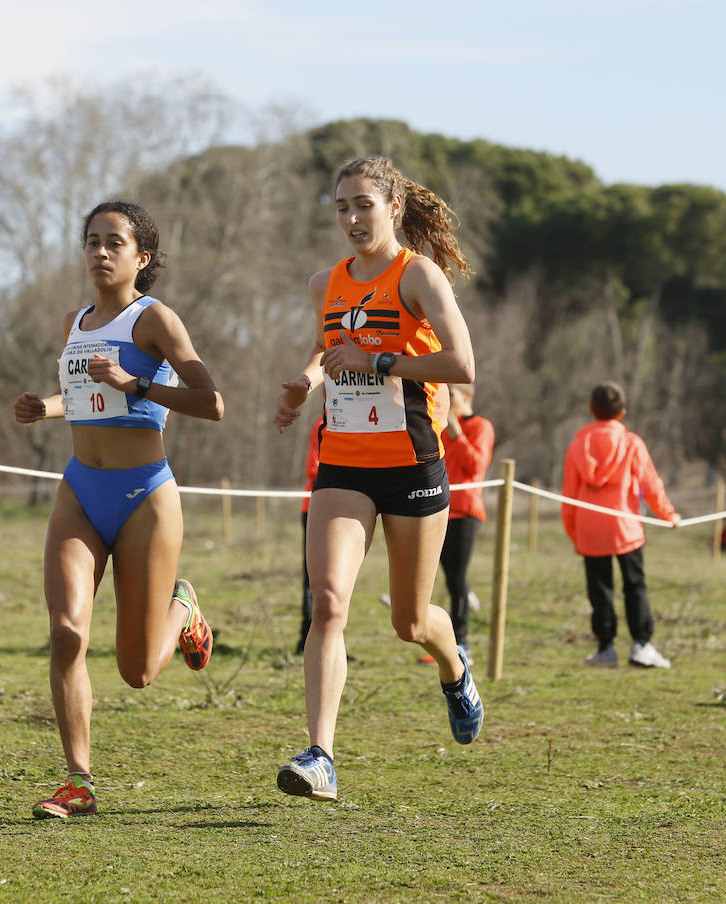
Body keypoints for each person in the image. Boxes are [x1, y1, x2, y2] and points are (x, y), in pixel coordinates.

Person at [272, 156, 483, 801]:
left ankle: (454, 669)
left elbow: (463, 364)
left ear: (393, 207)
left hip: (414, 464)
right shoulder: (325, 283)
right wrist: (306, 384)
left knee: (411, 622)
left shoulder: (417, 275)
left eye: (364, 204)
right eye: (342, 207)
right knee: (328, 604)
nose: (352, 218)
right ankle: (320, 756)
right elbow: (324, 345)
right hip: (343, 464)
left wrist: (379, 359)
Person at [14, 200, 223, 819]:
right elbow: (84, 395)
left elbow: (211, 401)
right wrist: (44, 408)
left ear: (142, 257)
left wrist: (135, 384)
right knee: (66, 631)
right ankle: (78, 780)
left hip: (144, 498)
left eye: (114, 243)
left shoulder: (154, 319)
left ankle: (181, 609)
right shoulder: (73, 322)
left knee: (136, 672)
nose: (100, 253)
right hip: (80, 488)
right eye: (91, 242)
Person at [562, 382, 681, 669]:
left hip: (590, 528)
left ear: (591, 409)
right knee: (635, 585)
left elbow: (569, 497)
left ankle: (606, 648)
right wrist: (668, 515)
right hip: (625, 527)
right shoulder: (632, 443)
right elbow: (651, 486)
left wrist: (575, 532)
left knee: (599, 589)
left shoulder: (578, 446)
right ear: (622, 412)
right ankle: (642, 644)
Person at [420, 382, 494, 664]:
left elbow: (476, 466)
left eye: (452, 395)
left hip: (465, 512)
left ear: (468, 396)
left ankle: (461, 644)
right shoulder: (438, 427)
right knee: (447, 576)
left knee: (456, 577)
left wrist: (458, 435)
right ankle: (447, 639)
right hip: (440, 509)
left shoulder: (481, 426)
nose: (447, 401)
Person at [295, 413, 325, 654]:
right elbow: (312, 467)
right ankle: (306, 637)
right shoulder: (323, 422)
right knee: (314, 577)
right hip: (315, 506)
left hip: (335, 508)